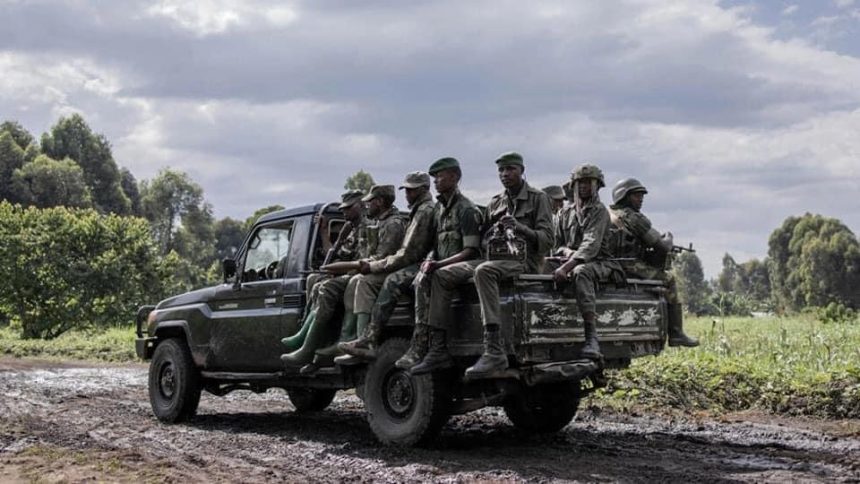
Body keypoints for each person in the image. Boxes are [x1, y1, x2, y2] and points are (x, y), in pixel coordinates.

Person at [411, 152, 554, 379]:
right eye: (501, 170)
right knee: (441, 275)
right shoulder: (496, 202)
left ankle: (494, 350)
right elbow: (480, 239)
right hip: (493, 257)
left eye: (510, 169)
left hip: (523, 262)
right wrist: (494, 232)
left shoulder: (538, 198)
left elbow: (548, 240)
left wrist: (519, 228)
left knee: (484, 271)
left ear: (522, 170)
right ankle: (438, 348)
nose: (505, 174)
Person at [281, 187, 403, 372]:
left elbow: (379, 257)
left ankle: (326, 343)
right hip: (361, 269)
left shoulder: (375, 224)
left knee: (329, 287)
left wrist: (347, 268)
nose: (343, 211)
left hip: (368, 271)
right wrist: (325, 235)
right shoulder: (356, 228)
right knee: (315, 281)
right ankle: (310, 342)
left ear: (360, 205)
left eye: (348, 207)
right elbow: (344, 255)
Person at [335, 171, 437, 365]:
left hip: (422, 264)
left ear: (423, 189)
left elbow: (407, 254)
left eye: (411, 190)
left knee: (388, 280)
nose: (407, 194)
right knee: (366, 280)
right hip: (417, 262)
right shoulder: (419, 210)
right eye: (406, 190)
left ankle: (369, 338)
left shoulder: (423, 211)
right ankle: (363, 339)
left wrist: (373, 266)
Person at [397, 157, 483, 372]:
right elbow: (433, 244)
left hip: (465, 263)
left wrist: (438, 264)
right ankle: (422, 343)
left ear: (455, 177)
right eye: (434, 177)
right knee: (420, 278)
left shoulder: (466, 209)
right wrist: (429, 260)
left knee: (435, 276)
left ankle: (433, 347)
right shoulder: (439, 210)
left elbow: (470, 250)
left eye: (440, 176)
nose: (436, 180)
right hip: (443, 263)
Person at [609, 178, 698, 347]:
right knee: (669, 279)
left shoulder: (606, 213)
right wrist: (669, 237)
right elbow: (662, 245)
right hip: (629, 265)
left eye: (641, 195)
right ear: (624, 197)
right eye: (636, 195)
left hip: (609, 265)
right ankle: (676, 333)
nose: (641, 199)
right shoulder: (634, 218)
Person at [551, 164, 622, 360]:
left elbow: (591, 245)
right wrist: (564, 252)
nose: (583, 186)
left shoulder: (599, 211)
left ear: (597, 186)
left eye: (589, 182)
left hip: (600, 262)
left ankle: (592, 338)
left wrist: (567, 266)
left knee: (581, 272)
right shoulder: (565, 213)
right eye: (579, 182)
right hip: (568, 260)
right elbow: (555, 244)